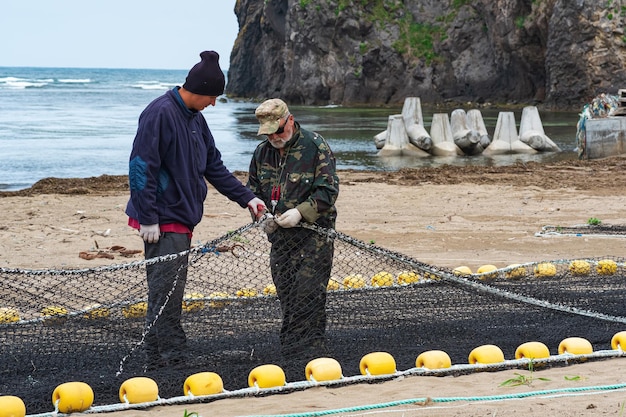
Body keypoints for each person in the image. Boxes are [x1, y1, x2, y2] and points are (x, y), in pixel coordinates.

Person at [125, 51, 266, 369]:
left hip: (183, 218)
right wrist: (148, 218)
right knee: (167, 295)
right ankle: (169, 361)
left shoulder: (196, 120)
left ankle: (160, 359)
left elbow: (214, 167)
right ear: (198, 89)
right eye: (213, 97)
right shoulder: (159, 113)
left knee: (167, 294)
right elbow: (140, 167)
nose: (214, 104)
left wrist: (247, 198)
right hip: (163, 221)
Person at [248, 98, 339, 361]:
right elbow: (253, 192)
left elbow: (328, 190)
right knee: (287, 294)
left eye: (278, 131)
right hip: (280, 239)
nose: (274, 138)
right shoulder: (261, 153)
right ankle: (292, 350)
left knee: (308, 295)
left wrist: (301, 212)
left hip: (315, 237)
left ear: (289, 120)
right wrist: (261, 215)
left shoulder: (315, 146)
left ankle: (311, 352)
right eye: (268, 133)